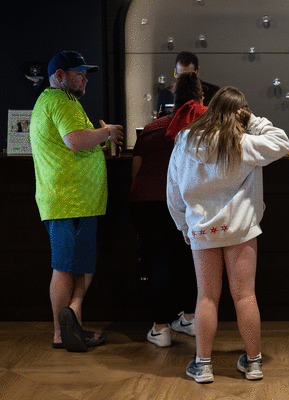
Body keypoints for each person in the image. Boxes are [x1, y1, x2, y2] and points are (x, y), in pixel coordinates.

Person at [167, 86, 289, 383]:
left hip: (202, 229)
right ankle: (254, 363)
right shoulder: (245, 143)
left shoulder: (185, 140)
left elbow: (173, 189)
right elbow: (282, 141)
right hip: (241, 228)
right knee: (245, 296)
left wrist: (183, 225)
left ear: (211, 108)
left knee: (207, 297)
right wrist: (253, 120)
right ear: (240, 113)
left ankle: (203, 365)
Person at [29, 51, 124, 352]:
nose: (85, 79)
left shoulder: (52, 101)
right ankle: (62, 333)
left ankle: (73, 323)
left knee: (80, 266)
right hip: (70, 201)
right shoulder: (61, 101)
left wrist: (99, 143)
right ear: (59, 76)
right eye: (78, 73)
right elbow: (74, 140)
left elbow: (74, 141)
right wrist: (106, 132)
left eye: (85, 74)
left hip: (74, 201)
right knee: (65, 267)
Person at [130, 71, 207, 347]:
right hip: (188, 203)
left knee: (158, 262)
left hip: (148, 203)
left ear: (173, 99)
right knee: (191, 260)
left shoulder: (152, 128)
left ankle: (161, 328)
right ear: (200, 98)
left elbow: (136, 172)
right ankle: (189, 318)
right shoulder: (205, 126)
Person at [156, 51, 220, 116]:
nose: (184, 80)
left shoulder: (213, 93)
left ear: (197, 71)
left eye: (189, 76)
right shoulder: (165, 94)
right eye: (181, 76)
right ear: (175, 72)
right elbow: (160, 118)